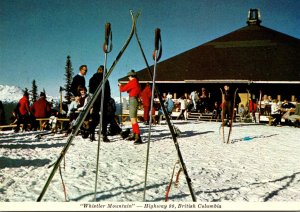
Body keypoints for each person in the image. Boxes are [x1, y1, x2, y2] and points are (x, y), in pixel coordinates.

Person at [118, 70, 142, 144]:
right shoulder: (136, 82)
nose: (128, 78)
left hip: (132, 100)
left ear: (131, 76)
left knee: (133, 119)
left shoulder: (132, 82)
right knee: (132, 119)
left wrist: (120, 85)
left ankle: (138, 136)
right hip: (134, 100)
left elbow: (122, 90)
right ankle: (134, 134)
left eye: (128, 76)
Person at [88, 65, 111, 142]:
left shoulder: (92, 79)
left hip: (96, 100)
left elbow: (91, 91)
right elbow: (108, 91)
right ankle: (104, 135)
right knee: (104, 117)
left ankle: (92, 134)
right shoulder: (105, 79)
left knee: (95, 117)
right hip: (103, 100)